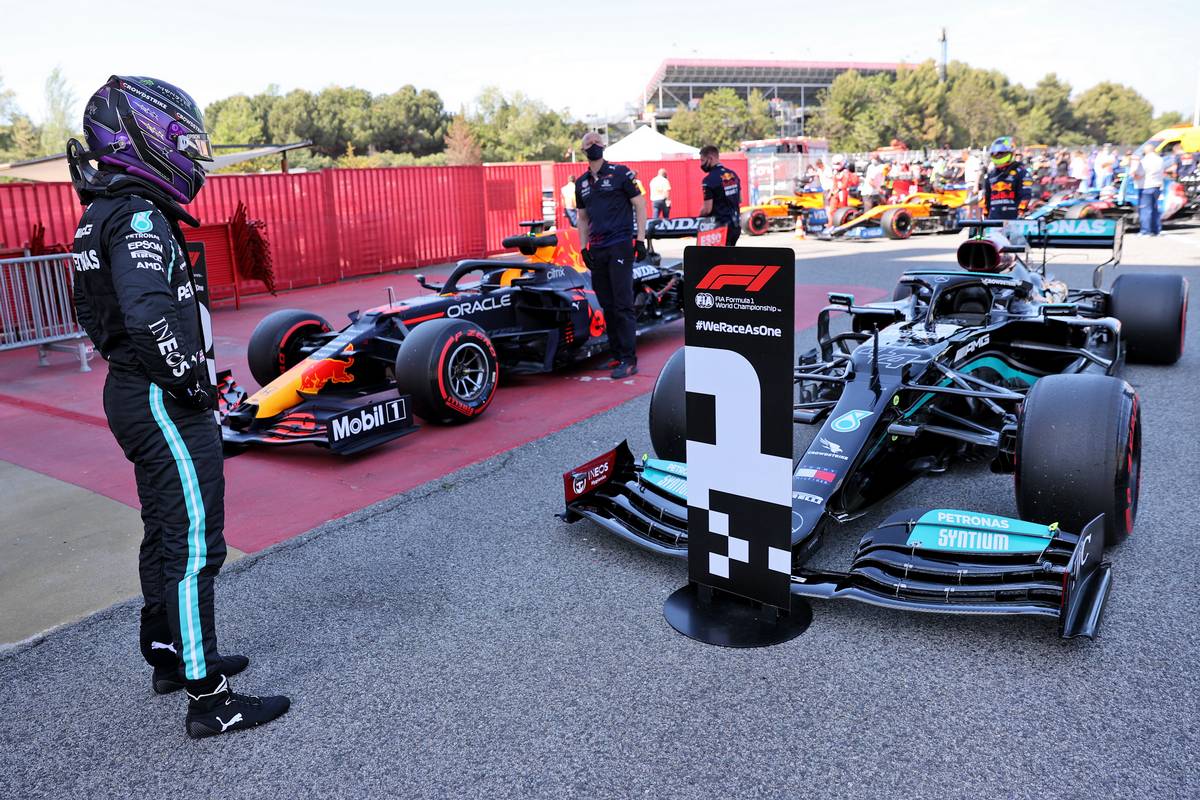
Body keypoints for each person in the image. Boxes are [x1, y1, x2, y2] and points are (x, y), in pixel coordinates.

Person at [68, 76, 289, 739]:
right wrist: (191, 379)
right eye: (188, 144)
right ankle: (209, 696)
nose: (196, 158)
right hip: (159, 396)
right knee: (194, 542)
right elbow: (145, 314)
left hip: (133, 392)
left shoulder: (100, 210)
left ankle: (170, 656)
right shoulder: (136, 213)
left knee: (163, 531)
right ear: (147, 139)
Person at [574, 131, 646, 379]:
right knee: (606, 304)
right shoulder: (581, 183)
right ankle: (617, 355)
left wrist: (640, 239)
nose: (593, 145)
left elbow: (640, 204)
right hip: (597, 248)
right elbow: (582, 219)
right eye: (588, 143)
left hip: (620, 245)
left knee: (622, 303)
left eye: (596, 142)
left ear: (603, 146)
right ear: (583, 150)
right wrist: (583, 249)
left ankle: (629, 359)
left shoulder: (620, 173)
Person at [697, 144, 743, 246]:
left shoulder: (708, 180)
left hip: (719, 228)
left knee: (717, 259)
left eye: (702, 160)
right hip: (735, 226)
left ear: (710, 158)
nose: (701, 164)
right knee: (730, 258)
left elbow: (707, 209)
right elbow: (740, 199)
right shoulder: (733, 174)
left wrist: (698, 217)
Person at [982, 136, 1030, 220]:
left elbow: (1025, 195)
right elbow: (986, 197)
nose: (998, 156)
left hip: (1014, 218)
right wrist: (985, 214)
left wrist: (1021, 212)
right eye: (995, 154)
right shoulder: (991, 174)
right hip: (993, 219)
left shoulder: (1021, 172)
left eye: (1001, 153)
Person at [1134, 142, 1165, 236]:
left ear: (1145, 151)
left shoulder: (1144, 161)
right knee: (1154, 208)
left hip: (1146, 186)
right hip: (1157, 185)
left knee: (1145, 209)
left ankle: (1145, 231)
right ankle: (1156, 229)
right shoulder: (1160, 160)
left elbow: (1139, 174)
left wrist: (1133, 175)